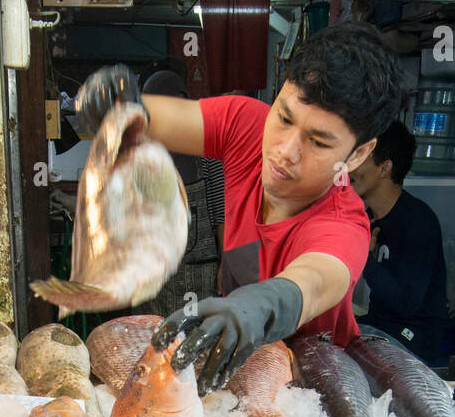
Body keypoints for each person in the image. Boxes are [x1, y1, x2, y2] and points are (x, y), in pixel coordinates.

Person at [75, 24, 403, 391]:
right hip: (235, 378)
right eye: (284, 119)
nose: (285, 152)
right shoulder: (247, 126)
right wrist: (116, 103)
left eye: (318, 143)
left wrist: (261, 303)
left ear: (358, 154)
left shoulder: (343, 222)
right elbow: (157, 117)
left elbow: (314, 280)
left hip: (312, 397)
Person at [348, 120, 449, 366]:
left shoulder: (418, 221)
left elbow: (407, 303)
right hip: (379, 326)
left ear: (384, 168)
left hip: (413, 338)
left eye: (360, 158)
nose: (350, 168)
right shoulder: (367, 218)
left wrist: (364, 258)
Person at [139, 69, 224, 316]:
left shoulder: (207, 155)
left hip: (198, 278)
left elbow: (222, 215)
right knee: (150, 344)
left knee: (194, 345)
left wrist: (226, 265)